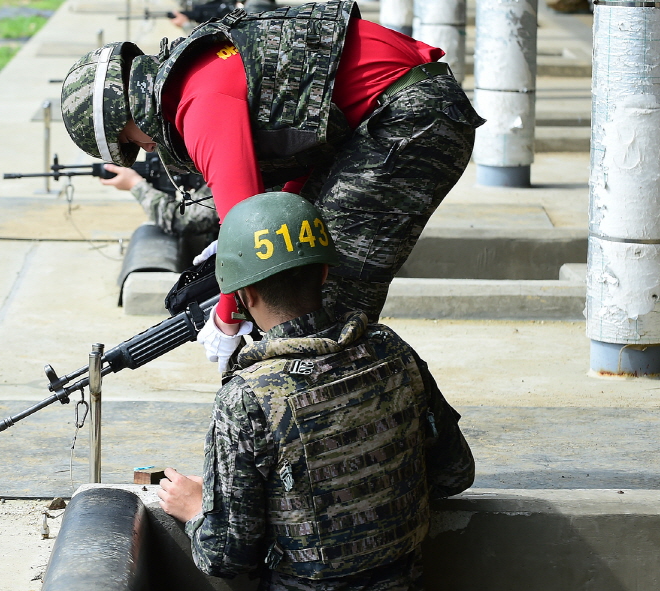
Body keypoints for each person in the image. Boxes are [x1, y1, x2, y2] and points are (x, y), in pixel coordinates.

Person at [60, 1, 484, 330]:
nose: (148, 151)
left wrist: (226, 319)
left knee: (324, 293)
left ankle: (345, 408)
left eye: (131, 143)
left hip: (409, 115)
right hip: (403, 108)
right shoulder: (199, 73)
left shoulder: (197, 103)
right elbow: (309, 143)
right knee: (304, 252)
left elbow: (248, 225)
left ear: (126, 115)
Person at [155, 191, 475, 591]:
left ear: (244, 295)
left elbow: (224, 556)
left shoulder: (248, 397)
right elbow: (455, 472)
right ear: (324, 273)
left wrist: (197, 509)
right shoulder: (392, 352)